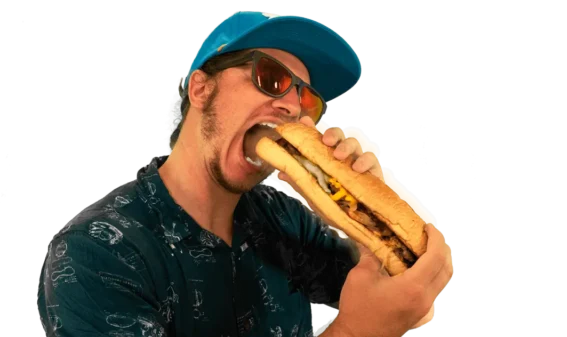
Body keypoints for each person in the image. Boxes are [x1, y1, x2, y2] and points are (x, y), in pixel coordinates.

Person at [36, 10, 453, 337]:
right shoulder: (95, 254)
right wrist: (354, 334)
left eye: (307, 99)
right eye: (271, 79)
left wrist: (361, 186)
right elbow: (369, 321)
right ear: (201, 89)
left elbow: (404, 291)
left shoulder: (280, 213)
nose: (292, 108)